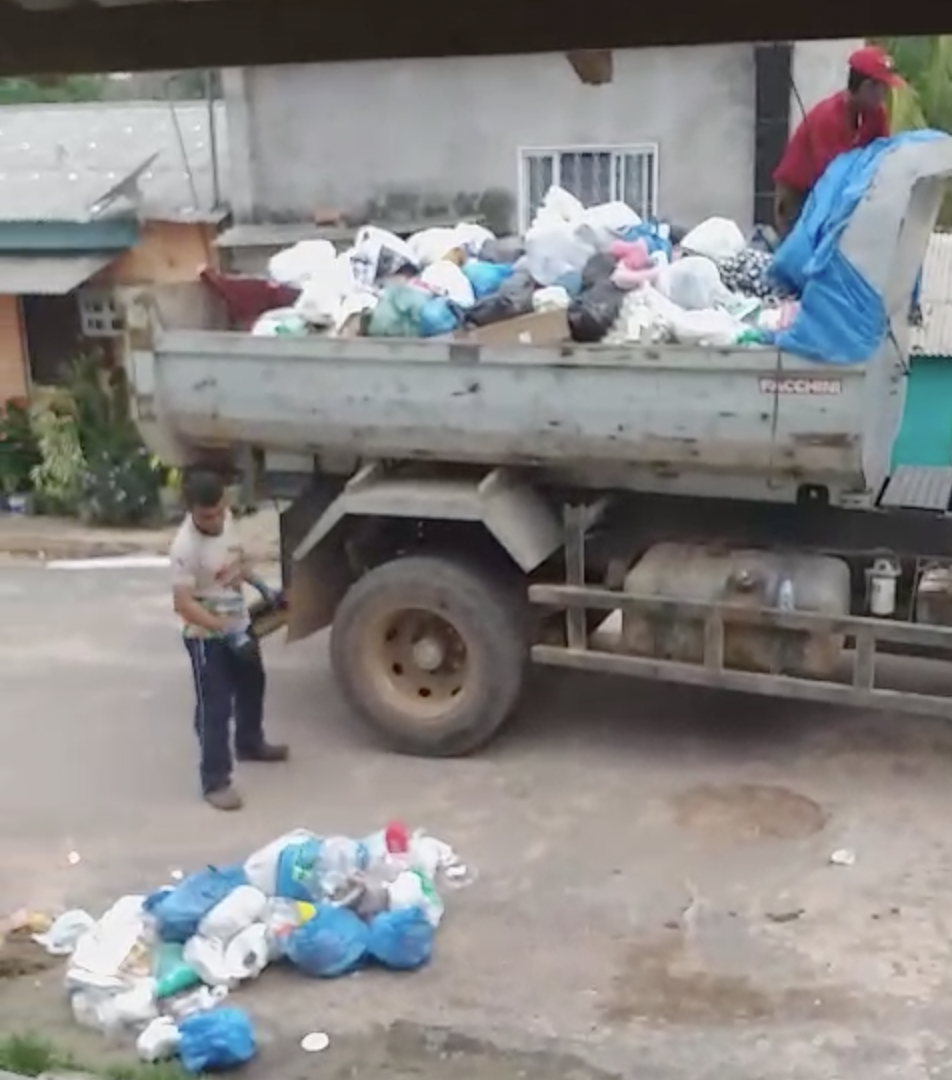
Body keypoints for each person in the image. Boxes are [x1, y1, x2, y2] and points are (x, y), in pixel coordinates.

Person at [170, 469, 288, 811]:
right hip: (206, 638)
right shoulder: (185, 548)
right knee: (215, 708)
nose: (216, 520)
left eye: (220, 511)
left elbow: (237, 563)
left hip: (239, 621)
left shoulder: (227, 520)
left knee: (254, 685)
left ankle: (250, 742)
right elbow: (183, 605)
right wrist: (223, 630)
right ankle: (214, 781)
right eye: (207, 516)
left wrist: (264, 589)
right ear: (191, 509)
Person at [773, 45, 904, 238]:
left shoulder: (875, 114)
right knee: (800, 256)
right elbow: (831, 178)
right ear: (866, 87)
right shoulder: (828, 118)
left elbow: (883, 155)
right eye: (882, 88)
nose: (885, 95)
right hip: (799, 196)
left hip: (835, 194)